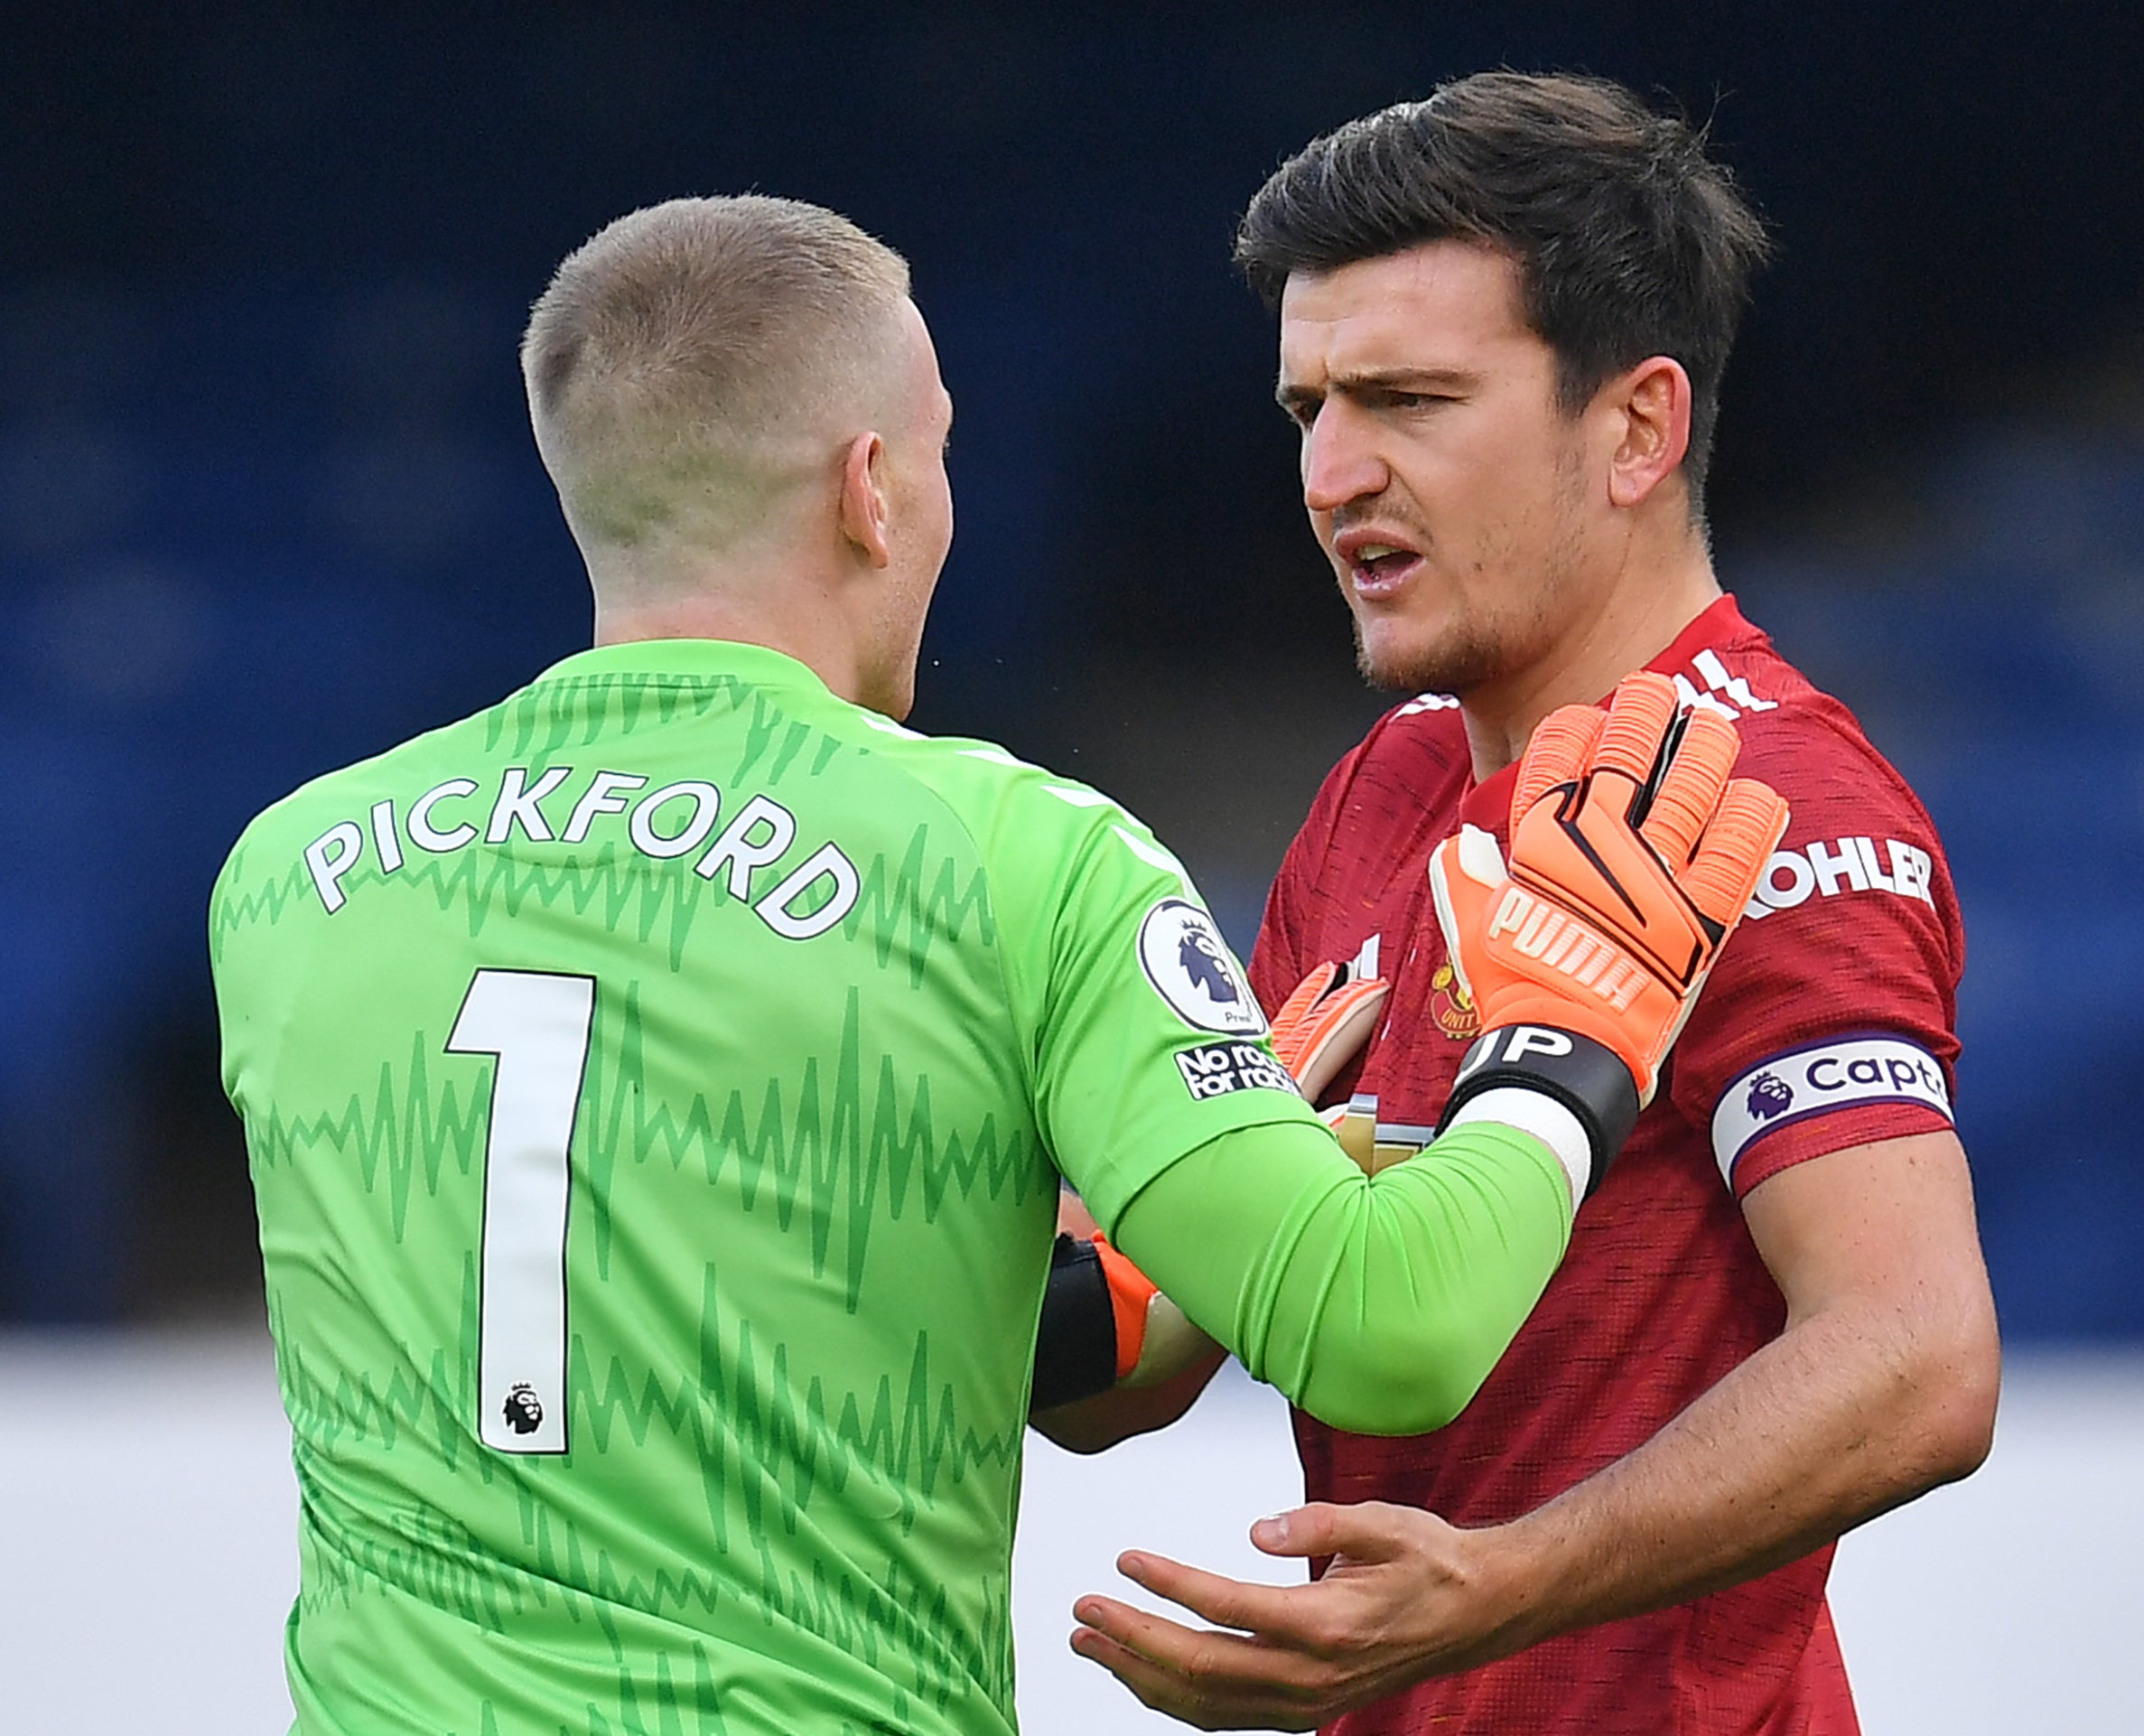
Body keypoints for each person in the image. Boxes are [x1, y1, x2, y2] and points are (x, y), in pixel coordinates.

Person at [209, 193, 1776, 1735]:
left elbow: (675, 1263)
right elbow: (1392, 1324)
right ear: (870, 491)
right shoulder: (1011, 856)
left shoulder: (289, 876)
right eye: (941, 456)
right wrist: (1570, 1026)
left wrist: (1141, 1272)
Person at [1061, 73, 2002, 1734]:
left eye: (1411, 399)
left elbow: (1921, 1355)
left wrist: (1494, 1592)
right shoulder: (1381, 790)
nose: (1335, 472)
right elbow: (1137, 1368)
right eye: (1308, 411)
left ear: (1636, 426)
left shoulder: (1773, 802)